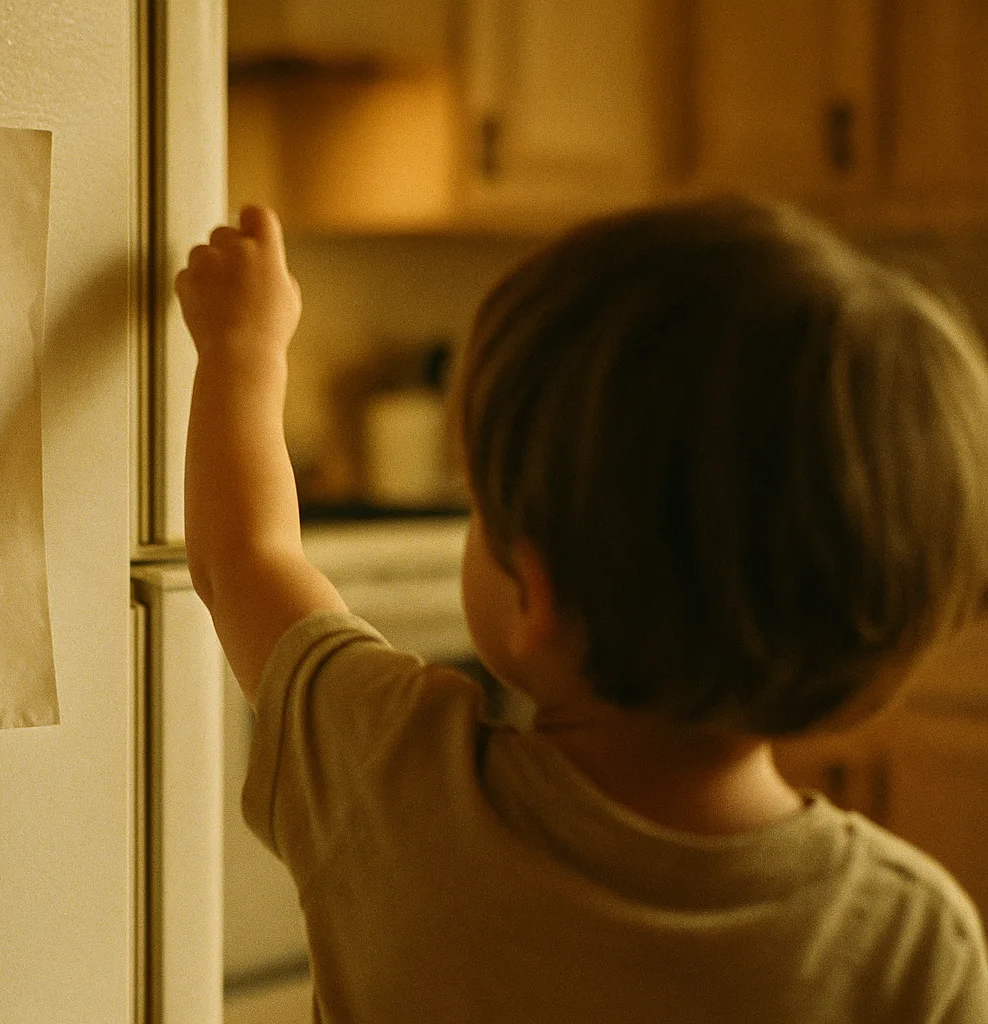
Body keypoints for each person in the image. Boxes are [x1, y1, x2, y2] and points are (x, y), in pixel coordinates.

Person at [176, 199, 988, 1022]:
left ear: (537, 594)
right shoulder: (911, 942)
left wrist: (242, 350)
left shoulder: (393, 772)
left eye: (480, 506)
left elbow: (243, 555)